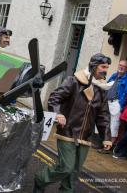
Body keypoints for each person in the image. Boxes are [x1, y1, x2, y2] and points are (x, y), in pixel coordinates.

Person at [33, 53, 113, 193]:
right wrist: (58, 114)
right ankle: (41, 179)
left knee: (74, 172)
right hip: (68, 132)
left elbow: (103, 116)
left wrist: (106, 137)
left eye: (107, 67)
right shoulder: (74, 81)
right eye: (103, 66)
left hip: (86, 137)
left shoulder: (102, 90)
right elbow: (54, 98)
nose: (105, 70)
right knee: (66, 167)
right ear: (94, 66)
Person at [105, 60, 127, 146]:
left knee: (114, 125)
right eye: (120, 65)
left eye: (124, 66)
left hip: (116, 103)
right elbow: (107, 85)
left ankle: (109, 145)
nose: (121, 67)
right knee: (106, 123)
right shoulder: (114, 75)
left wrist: (120, 105)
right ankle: (104, 143)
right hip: (108, 101)